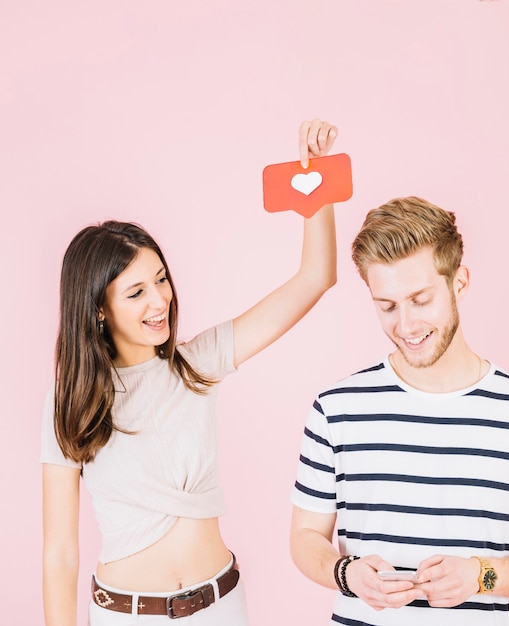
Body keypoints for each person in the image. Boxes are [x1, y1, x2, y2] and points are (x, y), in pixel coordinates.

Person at [41, 119, 339, 626]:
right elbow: (60, 555)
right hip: (125, 615)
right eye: (136, 293)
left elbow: (316, 277)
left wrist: (318, 179)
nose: (160, 301)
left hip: (221, 606)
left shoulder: (197, 364)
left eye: (161, 280)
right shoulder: (73, 404)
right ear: (97, 310)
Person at [290, 196, 509, 626]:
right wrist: (346, 573)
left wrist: (481, 575)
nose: (405, 326)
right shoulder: (336, 409)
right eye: (386, 306)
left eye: (420, 299)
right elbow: (305, 536)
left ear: (458, 282)